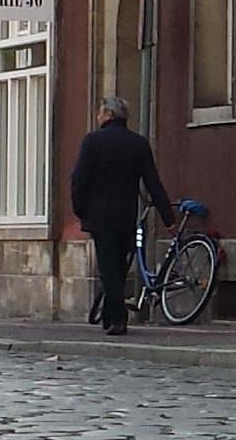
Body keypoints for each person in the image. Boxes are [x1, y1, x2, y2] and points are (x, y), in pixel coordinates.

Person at [68, 98, 173, 337]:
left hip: (99, 215)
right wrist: (168, 217)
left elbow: (79, 178)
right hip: (126, 215)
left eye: (99, 112)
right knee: (118, 267)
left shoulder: (92, 142)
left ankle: (117, 318)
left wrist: (80, 208)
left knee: (108, 267)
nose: (97, 117)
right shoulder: (138, 144)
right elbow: (152, 183)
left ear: (107, 114)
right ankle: (111, 314)